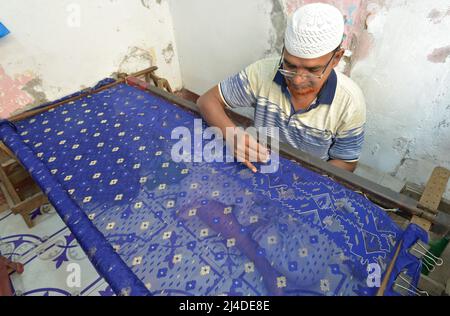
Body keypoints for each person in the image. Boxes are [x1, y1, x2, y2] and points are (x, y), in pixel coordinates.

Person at [197, 3, 366, 173]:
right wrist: (233, 136)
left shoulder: (349, 102)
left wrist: (305, 178)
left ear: (336, 58)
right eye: (290, 66)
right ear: (284, 51)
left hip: (309, 175)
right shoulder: (262, 72)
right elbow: (207, 100)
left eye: (313, 70)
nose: (298, 80)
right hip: (259, 162)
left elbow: (346, 162)